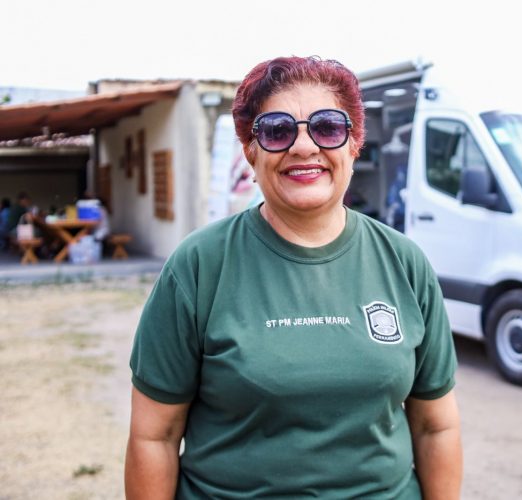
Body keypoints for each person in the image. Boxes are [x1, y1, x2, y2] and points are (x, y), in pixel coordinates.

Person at [125, 56, 462, 499]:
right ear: (251, 150)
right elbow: (155, 437)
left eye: (327, 127)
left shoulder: (404, 262)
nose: (304, 147)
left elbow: (437, 425)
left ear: (354, 145)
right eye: (277, 130)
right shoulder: (199, 265)